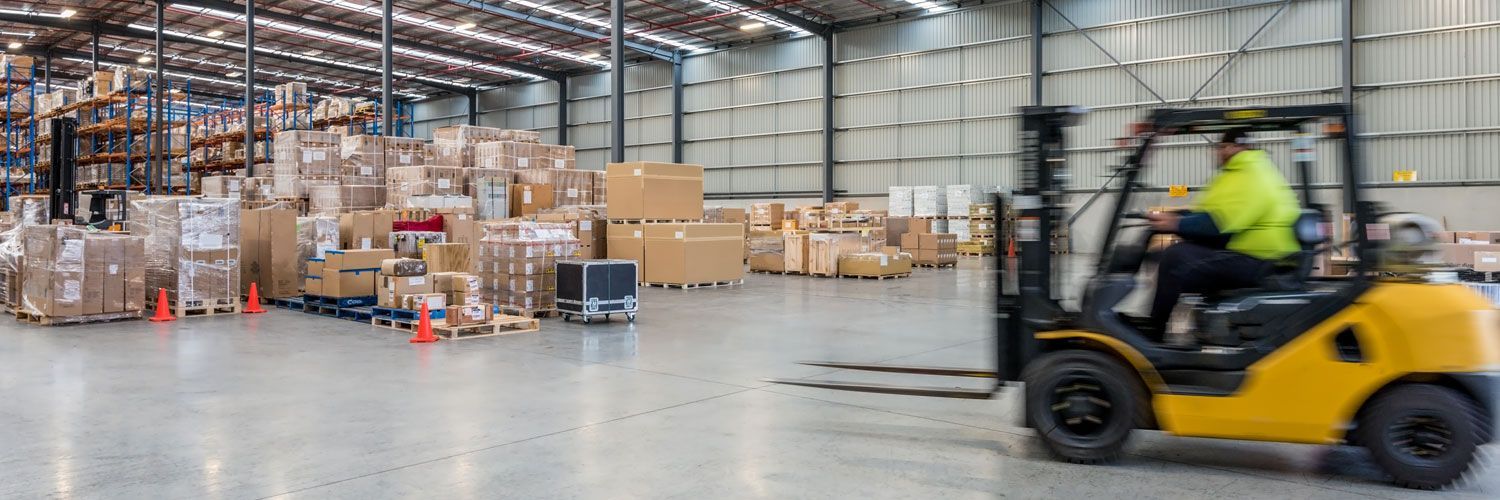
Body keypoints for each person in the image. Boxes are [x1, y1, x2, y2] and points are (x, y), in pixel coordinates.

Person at [1142, 129, 1301, 338]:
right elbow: (1209, 212)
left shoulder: (1249, 174)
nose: (1218, 152)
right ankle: (1188, 326)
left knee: (1176, 258)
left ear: (1235, 147)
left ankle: (1154, 333)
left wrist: (1176, 223)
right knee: (1165, 255)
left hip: (1258, 259)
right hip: (1249, 251)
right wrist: (1176, 217)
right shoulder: (1240, 172)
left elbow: (1220, 222)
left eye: (1222, 147)